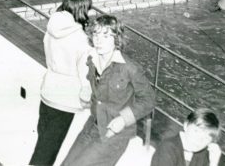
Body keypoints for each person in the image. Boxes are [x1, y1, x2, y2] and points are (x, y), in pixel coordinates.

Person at [62, 15, 155, 166]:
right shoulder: (92, 61)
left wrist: (123, 119)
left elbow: (149, 100)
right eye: (96, 34)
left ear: (116, 39)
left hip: (115, 135)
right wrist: (87, 94)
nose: (98, 40)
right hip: (92, 125)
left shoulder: (129, 68)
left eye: (106, 35)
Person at [29, 0, 93, 166]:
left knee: (43, 142)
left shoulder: (52, 28)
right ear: (82, 10)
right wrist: (88, 98)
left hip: (48, 89)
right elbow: (85, 74)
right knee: (47, 151)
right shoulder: (81, 39)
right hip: (66, 98)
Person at [151, 108, 222, 166]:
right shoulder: (168, 148)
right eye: (196, 131)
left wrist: (213, 162)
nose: (199, 140)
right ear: (186, 125)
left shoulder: (203, 154)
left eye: (206, 138)